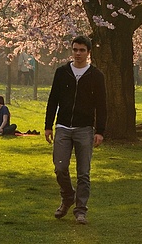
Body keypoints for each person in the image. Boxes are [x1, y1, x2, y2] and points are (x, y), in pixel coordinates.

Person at [44, 35, 108, 226]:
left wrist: (100, 131)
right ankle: (67, 196)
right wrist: (48, 125)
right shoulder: (62, 72)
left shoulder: (96, 76)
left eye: (82, 50)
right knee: (60, 167)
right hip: (63, 126)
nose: (78, 54)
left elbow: (101, 105)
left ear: (88, 53)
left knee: (83, 173)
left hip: (85, 129)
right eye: (75, 50)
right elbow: (53, 98)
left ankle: (81, 210)